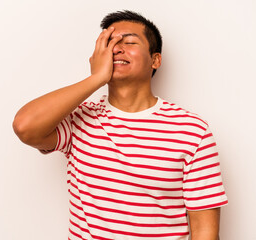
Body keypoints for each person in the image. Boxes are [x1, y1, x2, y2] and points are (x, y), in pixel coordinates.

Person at [13, 10, 228, 240]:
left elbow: (205, 231)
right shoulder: (80, 120)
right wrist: (96, 78)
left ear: (155, 59)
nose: (116, 49)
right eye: (108, 44)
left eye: (129, 42)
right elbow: (25, 126)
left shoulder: (192, 131)